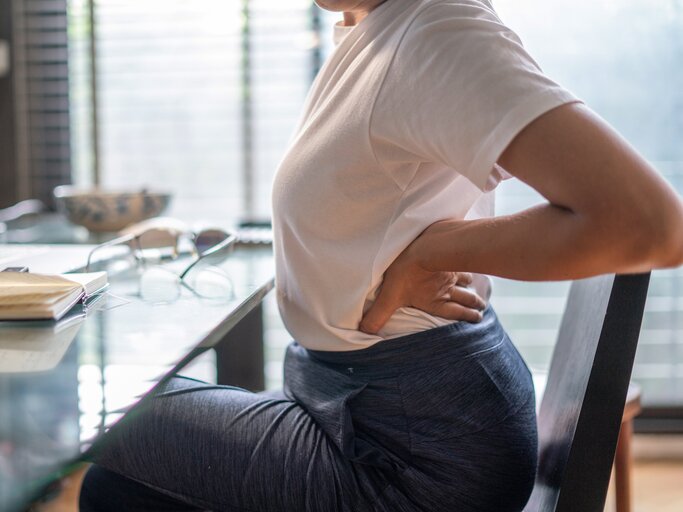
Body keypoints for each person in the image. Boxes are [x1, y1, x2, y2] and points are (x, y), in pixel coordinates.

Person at [78, 1, 683, 511]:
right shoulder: (377, 30)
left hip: (416, 453)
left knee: (96, 417)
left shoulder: (440, 36)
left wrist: (436, 250)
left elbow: (649, 225)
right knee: (118, 481)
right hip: (366, 408)